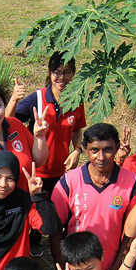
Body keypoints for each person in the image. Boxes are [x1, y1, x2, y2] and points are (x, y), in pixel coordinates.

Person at [49, 122, 136, 270]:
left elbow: (131, 235)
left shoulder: (132, 183)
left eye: (107, 149)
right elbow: (55, 231)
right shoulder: (68, 182)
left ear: (117, 147)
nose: (101, 157)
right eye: (94, 150)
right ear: (85, 149)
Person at [13, 52, 86, 192]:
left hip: (61, 173)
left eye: (67, 72)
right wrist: (14, 99)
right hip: (35, 174)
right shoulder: (38, 99)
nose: (62, 78)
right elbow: (9, 121)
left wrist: (77, 149)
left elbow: (76, 129)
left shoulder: (76, 100)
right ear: (50, 73)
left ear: (74, 73)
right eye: (57, 72)